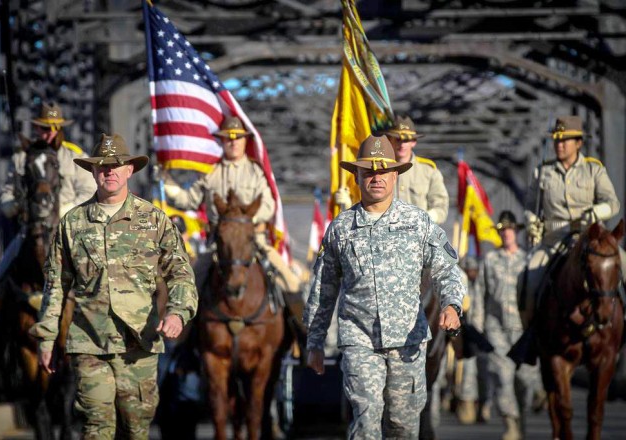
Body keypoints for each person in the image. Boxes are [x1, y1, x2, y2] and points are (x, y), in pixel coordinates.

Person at [29, 133, 198, 439]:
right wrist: (47, 338)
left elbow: (181, 274)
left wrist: (177, 312)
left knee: (136, 428)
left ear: (129, 170)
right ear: (93, 172)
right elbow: (55, 286)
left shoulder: (154, 220)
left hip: (139, 346)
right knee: (97, 428)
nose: (109, 171)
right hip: (89, 342)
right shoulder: (72, 224)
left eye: (116, 165)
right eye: (102, 166)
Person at [304, 135, 465, 439]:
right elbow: (323, 289)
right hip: (359, 339)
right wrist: (315, 342)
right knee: (366, 422)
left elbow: (446, 268)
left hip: (408, 341)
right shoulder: (340, 228)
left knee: (402, 426)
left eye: (383, 172)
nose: (376, 178)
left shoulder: (418, 222)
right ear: (357, 177)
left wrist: (451, 305)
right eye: (368, 172)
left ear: (395, 175)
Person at [163, 116, 303, 317]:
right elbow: (188, 201)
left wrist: (243, 223)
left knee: (290, 281)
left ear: (245, 140)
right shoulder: (210, 173)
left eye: (237, 138)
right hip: (216, 247)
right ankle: (180, 343)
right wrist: (167, 182)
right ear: (221, 141)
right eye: (228, 138)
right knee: (189, 286)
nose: (233, 142)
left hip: (255, 243)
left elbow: (268, 206)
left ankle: (303, 338)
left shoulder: (256, 171)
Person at [0, 102, 97, 326]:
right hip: (31, 231)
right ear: (37, 129)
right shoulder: (21, 158)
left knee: (97, 280)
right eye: (44, 128)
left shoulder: (75, 157)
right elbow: (6, 193)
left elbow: (90, 191)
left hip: (68, 233)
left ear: (60, 130)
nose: (48, 134)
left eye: (53, 129)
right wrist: (14, 205)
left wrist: (65, 210)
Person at [520, 115, 623, 329]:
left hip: (590, 237)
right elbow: (530, 206)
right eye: (557, 140)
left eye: (565, 140)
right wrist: (531, 221)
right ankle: (529, 335)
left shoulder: (594, 169)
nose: (560, 145)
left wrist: (595, 212)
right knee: (528, 279)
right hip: (553, 240)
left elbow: (612, 203)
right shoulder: (542, 171)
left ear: (578, 143)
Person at [484, 211, 542, 440]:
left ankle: (521, 422)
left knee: (524, 382)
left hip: (523, 331)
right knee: (502, 378)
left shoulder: (529, 261)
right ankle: (510, 425)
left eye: (510, 229)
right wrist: (477, 329)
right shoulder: (490, 260)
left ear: (516, 232)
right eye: (502, 230)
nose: (506, 233)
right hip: (497, 328)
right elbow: (481, 293)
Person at [335, 115, 449, 225]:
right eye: (398, 139)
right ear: (390, 140)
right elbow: (365, 206)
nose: (402, 144)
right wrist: (347, 205)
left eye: (407, 140)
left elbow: (441, 207)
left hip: (418, 235)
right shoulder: (368, 168)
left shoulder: (428, 171)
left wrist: (420, 220)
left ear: (414, 142)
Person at [456, 255, 490, 425]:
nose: (472, 273)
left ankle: (484, 405)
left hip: (485, 334)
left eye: (475, 270)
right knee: (467, 371)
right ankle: (467, 404)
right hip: (467, 334)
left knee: (484, 372)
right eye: (468, 270)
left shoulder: (484, 284)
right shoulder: (461, 284)